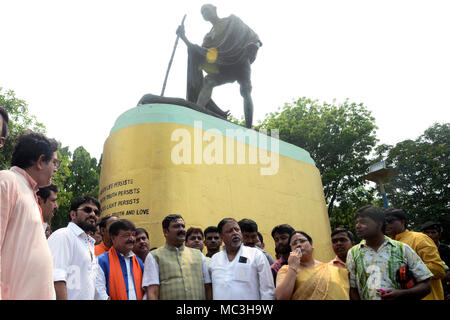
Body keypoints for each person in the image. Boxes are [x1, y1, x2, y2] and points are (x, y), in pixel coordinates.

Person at [176, 4, 262, 128]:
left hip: (240, 58)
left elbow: (255, 38)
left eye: (206, 10)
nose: (205, 13)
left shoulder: (233, 21)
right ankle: (197, 113)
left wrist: (256, 46)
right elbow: (199, 51)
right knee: (208, 81)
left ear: (215, 9)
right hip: (224, 65)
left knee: (245, 90)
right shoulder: (209, 36)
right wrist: (184, 38)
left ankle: (249, 127)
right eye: (202, 12)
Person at [0, 131, 59, 299]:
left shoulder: (29, 193)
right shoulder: (7, 180)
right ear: (41, 161)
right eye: (54, 162)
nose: (55, 169)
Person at [347, 205, 433, 300]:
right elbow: (353, 290)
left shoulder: (402, 249)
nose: (358, 226)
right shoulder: (353, 253)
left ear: (379, 224)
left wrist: (402, 294)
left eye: (363, 222)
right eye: (357, 222)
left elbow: (426, 285)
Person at [385, 208, 446, 300]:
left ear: (402, 222)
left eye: (389, 221)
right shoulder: (386, 243)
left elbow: (438, 269)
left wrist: (407, 271)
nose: (386, 224)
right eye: (383, 222)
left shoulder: (419, 239)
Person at [47, 195, 101, 300]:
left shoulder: (89, 243)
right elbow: (57, 278)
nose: (93, 214)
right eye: (87, 210)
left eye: (96, 212)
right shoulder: (63, 235)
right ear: (73, 214)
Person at [146, 214, 212, 300]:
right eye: (176, 226)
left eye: (183, 226)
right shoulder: (154, 256)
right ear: (165, 232)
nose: (181, 229)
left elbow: (207, 287)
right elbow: (152, 291)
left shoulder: (198, 255)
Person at [208, 218, 275, 300]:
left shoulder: (256, 255)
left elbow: (267, 290)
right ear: (221, 237)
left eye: (237, 229)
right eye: (230, 231)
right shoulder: (214, 259)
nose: (235, 233)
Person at [275, 231, 349, 300]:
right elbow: (281, 297)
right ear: (291, 250)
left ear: (311, 245)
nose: (298, 245)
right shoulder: (286, 270)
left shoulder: (331, 268)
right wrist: (292, 267)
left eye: (302, 241)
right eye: (294, 243)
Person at [97, 219, 145, 300]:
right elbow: (98, 290)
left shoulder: (138, 262)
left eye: (133, 235)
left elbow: (145, 289)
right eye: (126, 235)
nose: (131, 239)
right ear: (113, 238)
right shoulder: (101, 261)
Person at [421, 221, 450, 299]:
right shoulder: (418, 248)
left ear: (439, 234)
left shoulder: (446, 250)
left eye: (433, 232)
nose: (429, 235)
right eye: (427, 232)